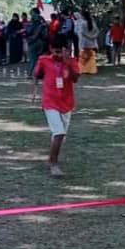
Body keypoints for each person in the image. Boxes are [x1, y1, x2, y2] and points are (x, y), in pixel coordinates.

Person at [34, 35, 80, 177]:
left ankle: (50, 159)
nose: (58, 55)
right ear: (51, 49)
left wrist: (67, 62)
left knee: (60, 136)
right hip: (50, 101)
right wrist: (35, 88)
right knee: (59, 133)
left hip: (66, 103)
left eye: (61, 51)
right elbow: (36, 74)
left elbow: (75, 78)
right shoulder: (44, 60)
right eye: (56, 52)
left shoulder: (71, 61)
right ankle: (54, 164)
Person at [25, 8, 48, 77]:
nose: (30, 14)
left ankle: (30, 74)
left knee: (33, 59)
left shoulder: (32, 21)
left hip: (33, 41)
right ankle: (40, 74)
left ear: (34, 12)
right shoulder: (43, 21)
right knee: (40, 59)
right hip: (41, 42)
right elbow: (46, 33)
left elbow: (28, 31)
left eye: (31, 12)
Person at [76, 10, 99, 74]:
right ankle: (91, 70)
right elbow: (97, 31)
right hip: (91, 42)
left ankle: (83, 69)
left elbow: (82, 32)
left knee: (83, 57)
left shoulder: (83, 23)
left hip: (84, 42)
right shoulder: (93, 22)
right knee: (91, 57)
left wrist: (88, 36)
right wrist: (93, 37)